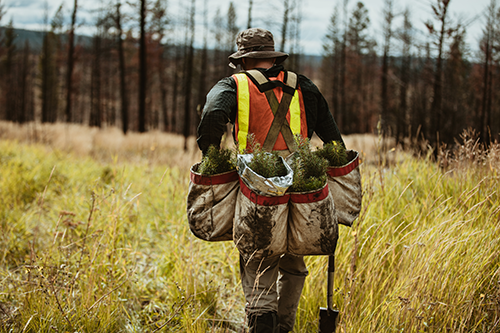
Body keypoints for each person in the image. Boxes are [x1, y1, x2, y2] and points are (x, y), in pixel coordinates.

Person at [196, 28, 344, 333]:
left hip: (258, 184)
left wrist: (212, 156)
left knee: (258, 255)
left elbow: (211, 115)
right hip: (302, 185)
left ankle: (262, 322)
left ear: (243, 60)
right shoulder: (303, 85)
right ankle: (283, 327)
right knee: (294, 258)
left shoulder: (234, 84)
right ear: (272, 57)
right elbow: (333, 140)